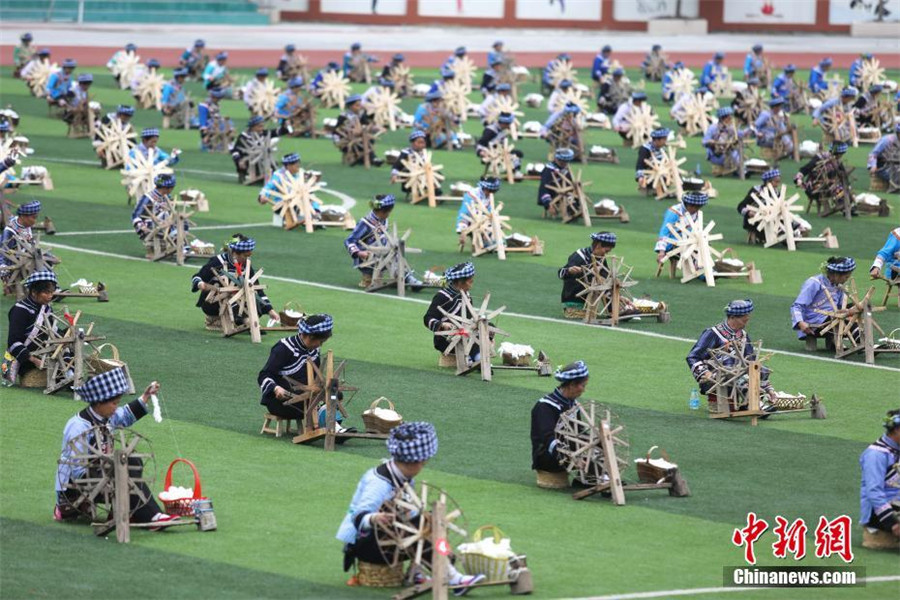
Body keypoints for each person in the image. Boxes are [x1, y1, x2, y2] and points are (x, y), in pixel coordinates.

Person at [336, 422, 485, 594]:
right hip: (365, 546)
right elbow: (358, 517)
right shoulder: (379, 482)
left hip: (389, 540)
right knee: (416, 527)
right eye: (424, 463)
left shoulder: (404, 477)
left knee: (428, 520)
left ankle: (418, 572)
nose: (423, 466)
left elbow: (413, 514)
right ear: (414, 462)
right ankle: (453, 578)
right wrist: (375, 518)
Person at [54, 368, 177, 529]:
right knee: (124, 469)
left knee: (132, 462)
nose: (116, 408)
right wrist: (111, 469)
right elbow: (77, 471)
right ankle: (152, 516)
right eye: (114, 403)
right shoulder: (78, 426)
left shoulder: (106, 416)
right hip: (77, 487)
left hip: (100, 474)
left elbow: (125, 415)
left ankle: (137, 513)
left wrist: (146, 396)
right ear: (99, 402)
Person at [686, 299, 777, 411]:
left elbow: (752, 362)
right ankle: (754, 403)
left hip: (738, 374)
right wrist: (705, 373)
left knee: (760, 369)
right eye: (744, 320)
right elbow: (693, 357)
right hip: (716, 378)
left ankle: (759, 399)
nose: (747, 322)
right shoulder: (713, 333)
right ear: (732, 317)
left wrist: (769, 389)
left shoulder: (743, 335)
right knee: (734, 372)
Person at [190, 234, 279, 330]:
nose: (248, 259)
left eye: (249, 256)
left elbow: (256, 289)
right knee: (236, 302)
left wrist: (270, 310)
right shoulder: (217, 262)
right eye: (245, 256)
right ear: (235, 253)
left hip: (236, 302)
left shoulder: (246, 265)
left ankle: (247, 321)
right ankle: (246, 321)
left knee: (252, 298)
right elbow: (197, 277)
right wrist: (200, 284)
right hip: (214, 303)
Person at [257, 313, 336, 420]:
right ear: (310, 336)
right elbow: (264, 375)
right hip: (281, 401)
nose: (320, 345)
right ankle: (330, 424)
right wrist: (276, 388)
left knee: (334, 395)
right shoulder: (283, 348)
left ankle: (333, 425)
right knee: (313, 402)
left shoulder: (314, 350)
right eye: (320, 341)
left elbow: (315, 379)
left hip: (306, 397)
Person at [344, 194, 424, 290]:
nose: (389, 214)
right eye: (389, 211)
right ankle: (406, 278)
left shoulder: (383, 220)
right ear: (384, 211)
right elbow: (349, 241)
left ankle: (402, 277)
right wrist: (359, 253)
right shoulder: (365, 223)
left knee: (394, 251)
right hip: (368, 259)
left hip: (382, 255)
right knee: (392, 255)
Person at [531, 361, 589, 481]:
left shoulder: (573, 405)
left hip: (568, 451)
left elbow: (579, 433)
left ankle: (590, 479)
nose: (584, 390)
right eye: (583, 386)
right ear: (572, 385)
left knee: (598, 446)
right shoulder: (545, 406)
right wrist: (570, 456)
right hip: (547, 456)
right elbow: (548, 439)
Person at [3, 270, 56, 385]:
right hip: (26, 359)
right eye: (46, 292)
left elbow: (52, 331)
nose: (50, 296)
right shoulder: (20, 310)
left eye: (52, 292)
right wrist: (34, 360)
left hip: (45, 353)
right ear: (34, 292)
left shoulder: (46, 308)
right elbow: (13, 342)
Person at [790, 257, 858, 347]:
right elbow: (797, 306)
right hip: (815, 324)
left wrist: (850, 310)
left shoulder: (838, 286)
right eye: (846, 277)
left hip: (833, 318)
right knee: (841, 318)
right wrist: (800, 323)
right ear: (836, 274)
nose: (846, 280)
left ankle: (839, 340)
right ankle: (862, 341)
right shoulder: (814, 283)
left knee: (859, 308)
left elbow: (840, 308)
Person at [423, 262, 480, 362]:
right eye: (470, 281)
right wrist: (442, 324)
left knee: (483, 331)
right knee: (467, 338)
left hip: (464, 334)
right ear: (460, 282)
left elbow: (469, 318)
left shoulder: (467, 296)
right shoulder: (442, 296)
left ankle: (477, 358)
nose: (472, 284)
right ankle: (476, 359)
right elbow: (427, 318)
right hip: (445, 339)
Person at [860, 409, 900, 549]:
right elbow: (874, 492)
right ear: (897, 430)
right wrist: (892, 522)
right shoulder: (876, 455)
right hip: (881, 513)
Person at [558, 232, 617, 318]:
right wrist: (569, 271)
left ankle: (614, 309)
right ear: (598, 245)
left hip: (589, 295)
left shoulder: (600, 258)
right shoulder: (579, 256)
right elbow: (561, 273)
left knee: (607, 282)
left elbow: (606, 275)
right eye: (606, 251)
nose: (606, 254)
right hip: (575, 295)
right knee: (598, 281)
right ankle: (612, 311)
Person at [795, 142, 854, 216]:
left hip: (829, 186)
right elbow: (805, 169)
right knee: (834, 187)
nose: (841, 156)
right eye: (841, 154)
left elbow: (843, 176)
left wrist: (847, 186)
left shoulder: (837, 162)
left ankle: (846, 204)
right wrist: (798, 179)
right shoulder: (819, 158)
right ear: (838, 154)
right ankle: (844, 205)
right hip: (815, 188)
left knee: (841, 187)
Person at [655, 192, 707, 264]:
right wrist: (661, 252)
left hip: (691, 244)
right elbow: (664, 232)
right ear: (688, 205)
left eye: (699, 208)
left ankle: (700, 266)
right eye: (695, 207)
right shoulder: (674, 212)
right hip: (673, 244)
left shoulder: (697, 214)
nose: (696, 210)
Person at [335, 95, 384, 166]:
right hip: (347, 141)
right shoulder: (343, 116)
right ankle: (373, 159)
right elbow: (337, 130)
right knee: (363, 142)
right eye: (357, 105)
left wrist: (376, 128)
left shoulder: (360, 115)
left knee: (369, 139)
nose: (360, 107)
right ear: (350, 106)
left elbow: (367, 124)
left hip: (360, 137)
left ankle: (369, 158)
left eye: (360, 105)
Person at [131, 174, 176, 249]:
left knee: (182, 223)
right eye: (172, 187)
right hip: (151, 226)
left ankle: (179, 245)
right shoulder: (148, 198)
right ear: (166, 188)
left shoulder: (167, 198)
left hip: (165, 225)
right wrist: (141, 226)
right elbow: (136, 215)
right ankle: (179, 245)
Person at [230, 116, 275, 183]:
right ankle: (242, 174)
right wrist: (238, 160)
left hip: (261, 159)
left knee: (270, 162)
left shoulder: (264, 133)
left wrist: (288, 127)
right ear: (253, 127)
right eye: (259, 126)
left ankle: (266, 176)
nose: (262, 129)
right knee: (244, 161)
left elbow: (279, 131)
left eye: (262, 126)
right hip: (247, 160)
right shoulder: (243, 137)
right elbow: (235, 151)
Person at [738, 169, 781, 238]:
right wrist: (748, 212)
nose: (778, 184)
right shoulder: (756, 191)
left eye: (779, 181)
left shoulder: (777, 193)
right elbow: (740, 206)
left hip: (772, 221)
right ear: (768, 182)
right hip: (755, 221)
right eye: (776, 181)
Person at [476, 112, 522, 177]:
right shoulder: (491, 130)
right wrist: (481, 152)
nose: (509, 126)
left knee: (518, 153)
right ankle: (512, 171)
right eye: (508, 124)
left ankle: (514, 170)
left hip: (501, 151)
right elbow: (480, 144)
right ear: (504, 123)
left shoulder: (503, 130)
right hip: (491, 153)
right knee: (510, 156)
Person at [703, 107, 745, 171]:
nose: (730, 119)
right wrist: (711, 142)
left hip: (731, 153)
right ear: (722, 118)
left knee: (737, 154)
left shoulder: (731, 128)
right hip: (717, 156)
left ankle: (741, 169)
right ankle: (741, 170)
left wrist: (751, 129)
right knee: (734, 155)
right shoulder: (713, 128)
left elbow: (742, 134)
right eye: (728, 118)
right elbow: (704, 142)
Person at [538, 147, 576, 212]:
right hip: (554, 194)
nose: (564, 163)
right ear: (556, 159)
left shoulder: (566, 169)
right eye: (562, 161)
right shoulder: (548, 170)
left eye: (566, 162)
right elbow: (544, 187)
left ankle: (573, 206)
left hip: (567, 194)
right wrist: (548, 203)